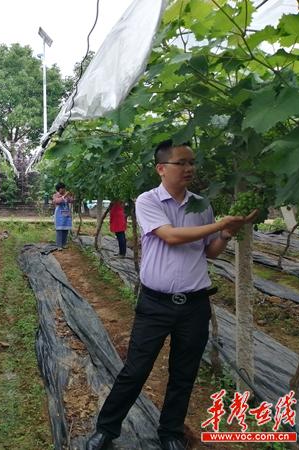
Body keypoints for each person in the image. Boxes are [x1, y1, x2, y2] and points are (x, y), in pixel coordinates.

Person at [86, 140, 256, 450]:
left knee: (184, 372)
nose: (190, 168)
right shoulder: (148, 200)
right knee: (136, 369)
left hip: (194, 305)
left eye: (192, 162)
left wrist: (228, 234)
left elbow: (211, 252)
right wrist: (219, 224)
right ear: (161, 168)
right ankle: (106, 430)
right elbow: (171, 236)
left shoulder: (202, 205)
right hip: (155, 303)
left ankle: (171, 433)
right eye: (182, 162)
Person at [53, 182, 73, 249]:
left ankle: (64, 244)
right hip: (59, 215)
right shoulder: (55, 195)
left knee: (65, 229)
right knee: (59, 230)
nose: (64, 189)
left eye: (64, 188)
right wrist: (64, 196)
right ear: (59, 189)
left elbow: (71, 201)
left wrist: (71, 196)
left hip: (66, 214)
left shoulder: (66, 195)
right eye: (62, 188)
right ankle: (59, 245)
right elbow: (57, 201)